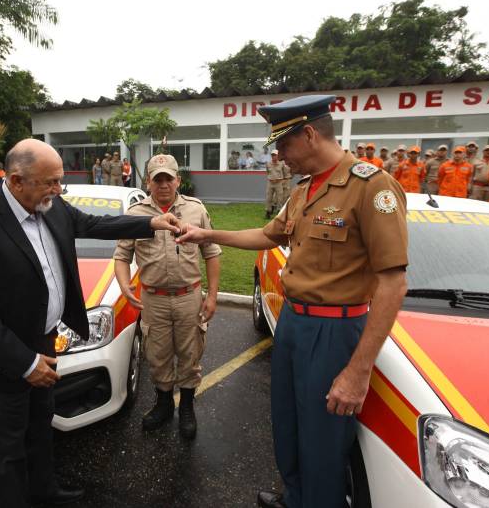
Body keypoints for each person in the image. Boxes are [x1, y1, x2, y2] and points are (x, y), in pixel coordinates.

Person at [177, 95, 407, 508]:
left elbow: (393, 282)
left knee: (323, 441)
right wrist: (208, 236)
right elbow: (269, 236)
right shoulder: (304, 190)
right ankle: (296, 497)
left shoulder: (371, 186)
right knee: (288, 426)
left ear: (310, 134)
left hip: (334, 330)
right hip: (295, 323)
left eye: (283, 145)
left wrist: (358, 371)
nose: (280, 156)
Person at [0, 139, 182, 508]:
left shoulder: (50, 206)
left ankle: (44, 490)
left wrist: (151, 221)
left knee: (40, 426)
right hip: (4, 357)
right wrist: (25, 363)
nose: (58, 190)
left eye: (60, 181)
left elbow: (95, 223)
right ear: (16, 180)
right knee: (7, 447)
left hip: (45, 341)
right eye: (50, 182)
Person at [113, 154, 221, 439]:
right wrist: (125, 286)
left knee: (190, 354)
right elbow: (122, 256)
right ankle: (162, 405)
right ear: (148, 181)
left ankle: (186, 406)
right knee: (157, 355)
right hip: (153, 299)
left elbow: (211, 252)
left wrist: (212, 295)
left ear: (178, 181)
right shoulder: (136, 214)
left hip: (189, 296)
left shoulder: (196, 210)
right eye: (157, 179)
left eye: (168, 179)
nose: (163, 184)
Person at [264, 151, 286, 219]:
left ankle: (279, 212)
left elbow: (284, 172)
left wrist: (282, 180)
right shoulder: (268, 164)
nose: (273, 156)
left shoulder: (281, 164)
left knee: (279, 198)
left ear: (278, 156)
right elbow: (267, 172)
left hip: (278, 183)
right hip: (270, 183)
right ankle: (268, 212)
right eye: (272, 155)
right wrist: (271, 178)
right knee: (269, 198)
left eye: (275, 155)